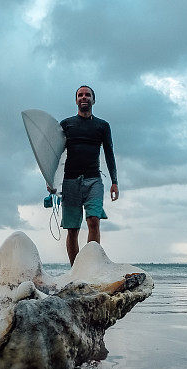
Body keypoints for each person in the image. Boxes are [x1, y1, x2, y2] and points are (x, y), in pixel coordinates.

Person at [48, 85, 118, 265]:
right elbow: (54, 155)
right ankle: (75, 270)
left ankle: (91, 266)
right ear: (76, 100)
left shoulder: (102, 126)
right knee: (72, 229)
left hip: (94, 179)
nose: (84, 97)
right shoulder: (66, 125)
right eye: (80, 95)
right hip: (70, 181)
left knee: (93, 221)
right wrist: (50, 180)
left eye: (87, 95)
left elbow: (109, 153)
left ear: (93, 100)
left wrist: (114, 182)